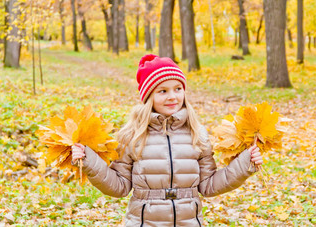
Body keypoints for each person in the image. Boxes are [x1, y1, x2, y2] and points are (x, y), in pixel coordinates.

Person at [71, 54, 263, 227]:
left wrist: (245, 162)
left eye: (177, 89)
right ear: (149, 96)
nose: (172, 97)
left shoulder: (197, 133)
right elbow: (119, 186)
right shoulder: (132, 135)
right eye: (162, 91)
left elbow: (209, 185)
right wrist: (89, 160)